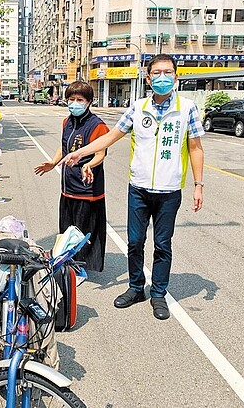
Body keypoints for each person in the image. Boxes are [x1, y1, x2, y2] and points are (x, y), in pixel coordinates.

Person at [61, 54, 205, 320]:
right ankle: (136, 287)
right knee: (135, 242)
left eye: (168, 72)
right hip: (138, 188)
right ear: (148, 78)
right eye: (157, 73)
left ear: (175, 76)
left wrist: (198, 185)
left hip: (169, 191)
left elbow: (195, 147)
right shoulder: (138, 108)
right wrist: (80, 153)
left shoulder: (187, 109)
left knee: (162, 244)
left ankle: (158, 293)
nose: (162, 77)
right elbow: (110, 137)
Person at [34, 80, 109, 272]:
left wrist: (88, 165)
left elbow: (100, 154)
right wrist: (53, 162)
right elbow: (64, 146)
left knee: (84, 230)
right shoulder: (67, 122)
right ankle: (66, 263)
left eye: (79, 99)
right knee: (67, 228)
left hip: (87, 188)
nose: (74, 103)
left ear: (89, 102)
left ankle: (81, 267)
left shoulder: (97, 126)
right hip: (68, 187)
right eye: (71, 99)